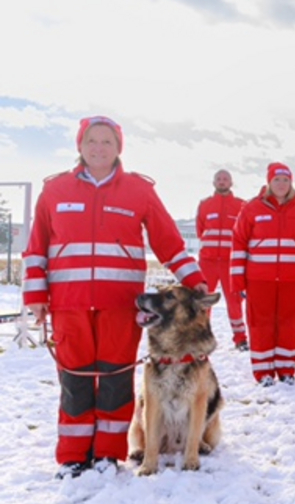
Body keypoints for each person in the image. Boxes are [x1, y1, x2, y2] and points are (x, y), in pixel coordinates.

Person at [22, 116, 206, 479]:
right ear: (80, 145)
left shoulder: (139, 191)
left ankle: (107, 454)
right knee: (74, 379)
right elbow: (36, 248)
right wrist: (36, 295)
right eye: (92, 140)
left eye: (107, 141)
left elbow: (168, 242)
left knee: (115, 378)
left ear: (119, 148)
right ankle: (73, 456)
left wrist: (195, 281)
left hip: (121, 304)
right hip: (68, 303)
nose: (98, 148)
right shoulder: (55, 191)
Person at [231, 162, 295, 386]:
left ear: (291, 182)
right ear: (269, 182)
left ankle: (286, 369)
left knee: (289, 323)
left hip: (293, 279)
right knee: (260, 324)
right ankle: (263, 373)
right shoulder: (252, 208)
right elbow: (239, 243)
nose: (281, 184)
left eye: (285, 180)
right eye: (277, 180)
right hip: (259, 279)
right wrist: (237, 277)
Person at [196, 169, 248, 351]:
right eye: (218, 179)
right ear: (214, 182)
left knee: (234, 301)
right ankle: (201, 337)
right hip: (208, 262)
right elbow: (200, 230)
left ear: (231, 183)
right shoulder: (205, 205)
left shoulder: (241, 205)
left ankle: (240, 338)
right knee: (204, 301)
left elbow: (245, 233)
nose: (222, 181)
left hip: (230, 262)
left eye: (225, 179)